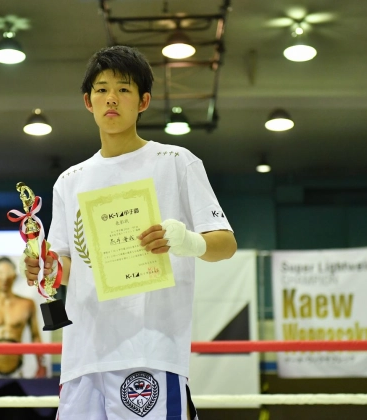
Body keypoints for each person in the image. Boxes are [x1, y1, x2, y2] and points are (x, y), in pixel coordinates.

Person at [23, 46, 237, 420]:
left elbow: (226, 244)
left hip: (150, 350)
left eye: (123, 89)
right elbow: (65, 265)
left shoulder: (176, 162)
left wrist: (187, 241)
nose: (111, 98)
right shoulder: (70, 180)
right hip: (83, 356)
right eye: (102, 89)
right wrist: (45, 268)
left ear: (144, 101)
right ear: (88, 101)